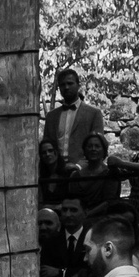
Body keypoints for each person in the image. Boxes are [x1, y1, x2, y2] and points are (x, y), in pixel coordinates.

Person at [42, 68, 105, 199]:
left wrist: (78, 166)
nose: (66, 87)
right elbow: (46, 146)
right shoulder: (51, 116)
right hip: (56, 176)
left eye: (70, 83)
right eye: (62, 85)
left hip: (83, 174)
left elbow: (98, 148)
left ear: (78, 85)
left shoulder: (93, 113)